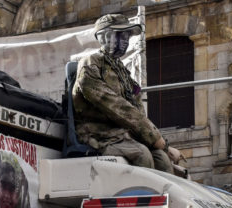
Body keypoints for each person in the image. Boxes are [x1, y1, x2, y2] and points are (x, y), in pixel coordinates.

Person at [72, 14, 183, 174]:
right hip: (97, 135)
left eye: (128, 36)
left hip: (122, 135)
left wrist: (162, 146)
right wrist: (159, 141)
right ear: (104, 36)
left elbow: (138, 111)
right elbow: (116, 106)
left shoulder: (123, 72)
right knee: (142, 155)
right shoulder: (91, 64)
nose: (126, 40)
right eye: (121, 35)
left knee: (161, 158)